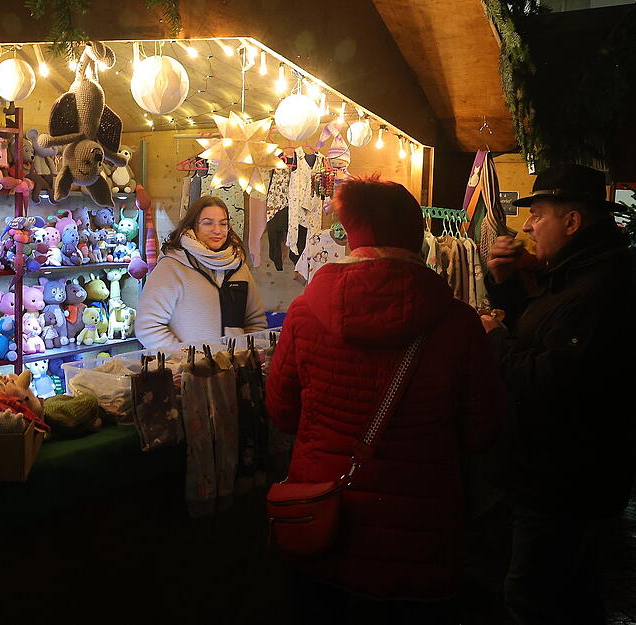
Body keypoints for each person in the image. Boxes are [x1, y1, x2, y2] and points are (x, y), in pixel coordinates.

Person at [265, 176, 505, 624]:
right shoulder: (458, 322)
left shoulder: (304, 311)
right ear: (417, 236)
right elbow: (483, 431)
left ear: (352, 234)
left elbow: (281, 412)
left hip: (323, 520)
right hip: (419, 535)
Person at [481, 163, 636, 625]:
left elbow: (549, 381)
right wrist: (513, 283)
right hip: (562, 476)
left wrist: (494, 336)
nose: (529, 226)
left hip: (563, 483)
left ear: (572, 222)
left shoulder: (596, 290)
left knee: (535, 597)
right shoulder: (579, 274)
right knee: (569, 593)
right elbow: (543, 333)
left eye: (538, 214)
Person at [135, 196, 267, 350]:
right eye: (208, 223)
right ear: (193, 226)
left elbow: (256, 322)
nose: (217, 230)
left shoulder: (238, 266)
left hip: (235, 371)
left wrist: (245, 356)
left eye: (223, 224)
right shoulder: (172, 267)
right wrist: (186, 359)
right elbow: (147, 326)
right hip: (188, 372)